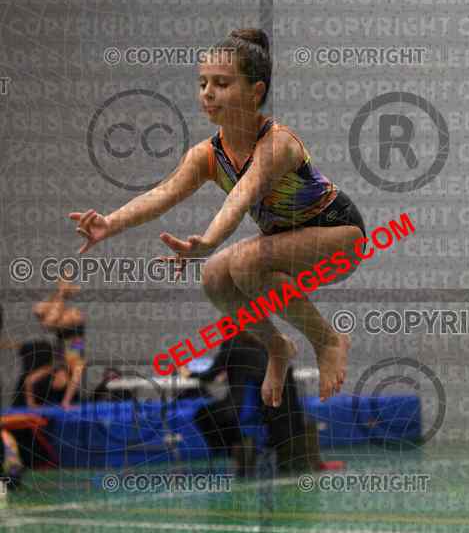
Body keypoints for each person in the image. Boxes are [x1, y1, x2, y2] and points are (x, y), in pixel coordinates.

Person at [69, 28, 367, 408]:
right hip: (285, 243)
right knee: (214, 277)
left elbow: (240, 198)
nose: (207, 93)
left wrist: (208, 241)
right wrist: (111, 223)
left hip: (339, 235)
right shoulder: (208, 155)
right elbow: (163, 194)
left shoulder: (277, 143)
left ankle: (327, 340)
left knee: (243, 263)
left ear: (255, 92)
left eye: (222, 84)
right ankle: (276, 347)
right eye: (203, 83)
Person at [189, 331, 307, 477]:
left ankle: (230, 451)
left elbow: (209, 375)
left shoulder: (231, 345)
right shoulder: (265, 346)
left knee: (202, 414)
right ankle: (241, 451)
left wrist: (189, 374)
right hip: (266, 409)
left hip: (240, 409)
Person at [32, 275, 86, 409]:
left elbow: (29, 381)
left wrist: (31, 404)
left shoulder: (56, 365)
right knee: (46, 319)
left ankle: (63, 291)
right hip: (72, 340)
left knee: (43, 316)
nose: (57, 381)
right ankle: (63, 290)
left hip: (68, 340)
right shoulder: (69, 366)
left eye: (55, 381)